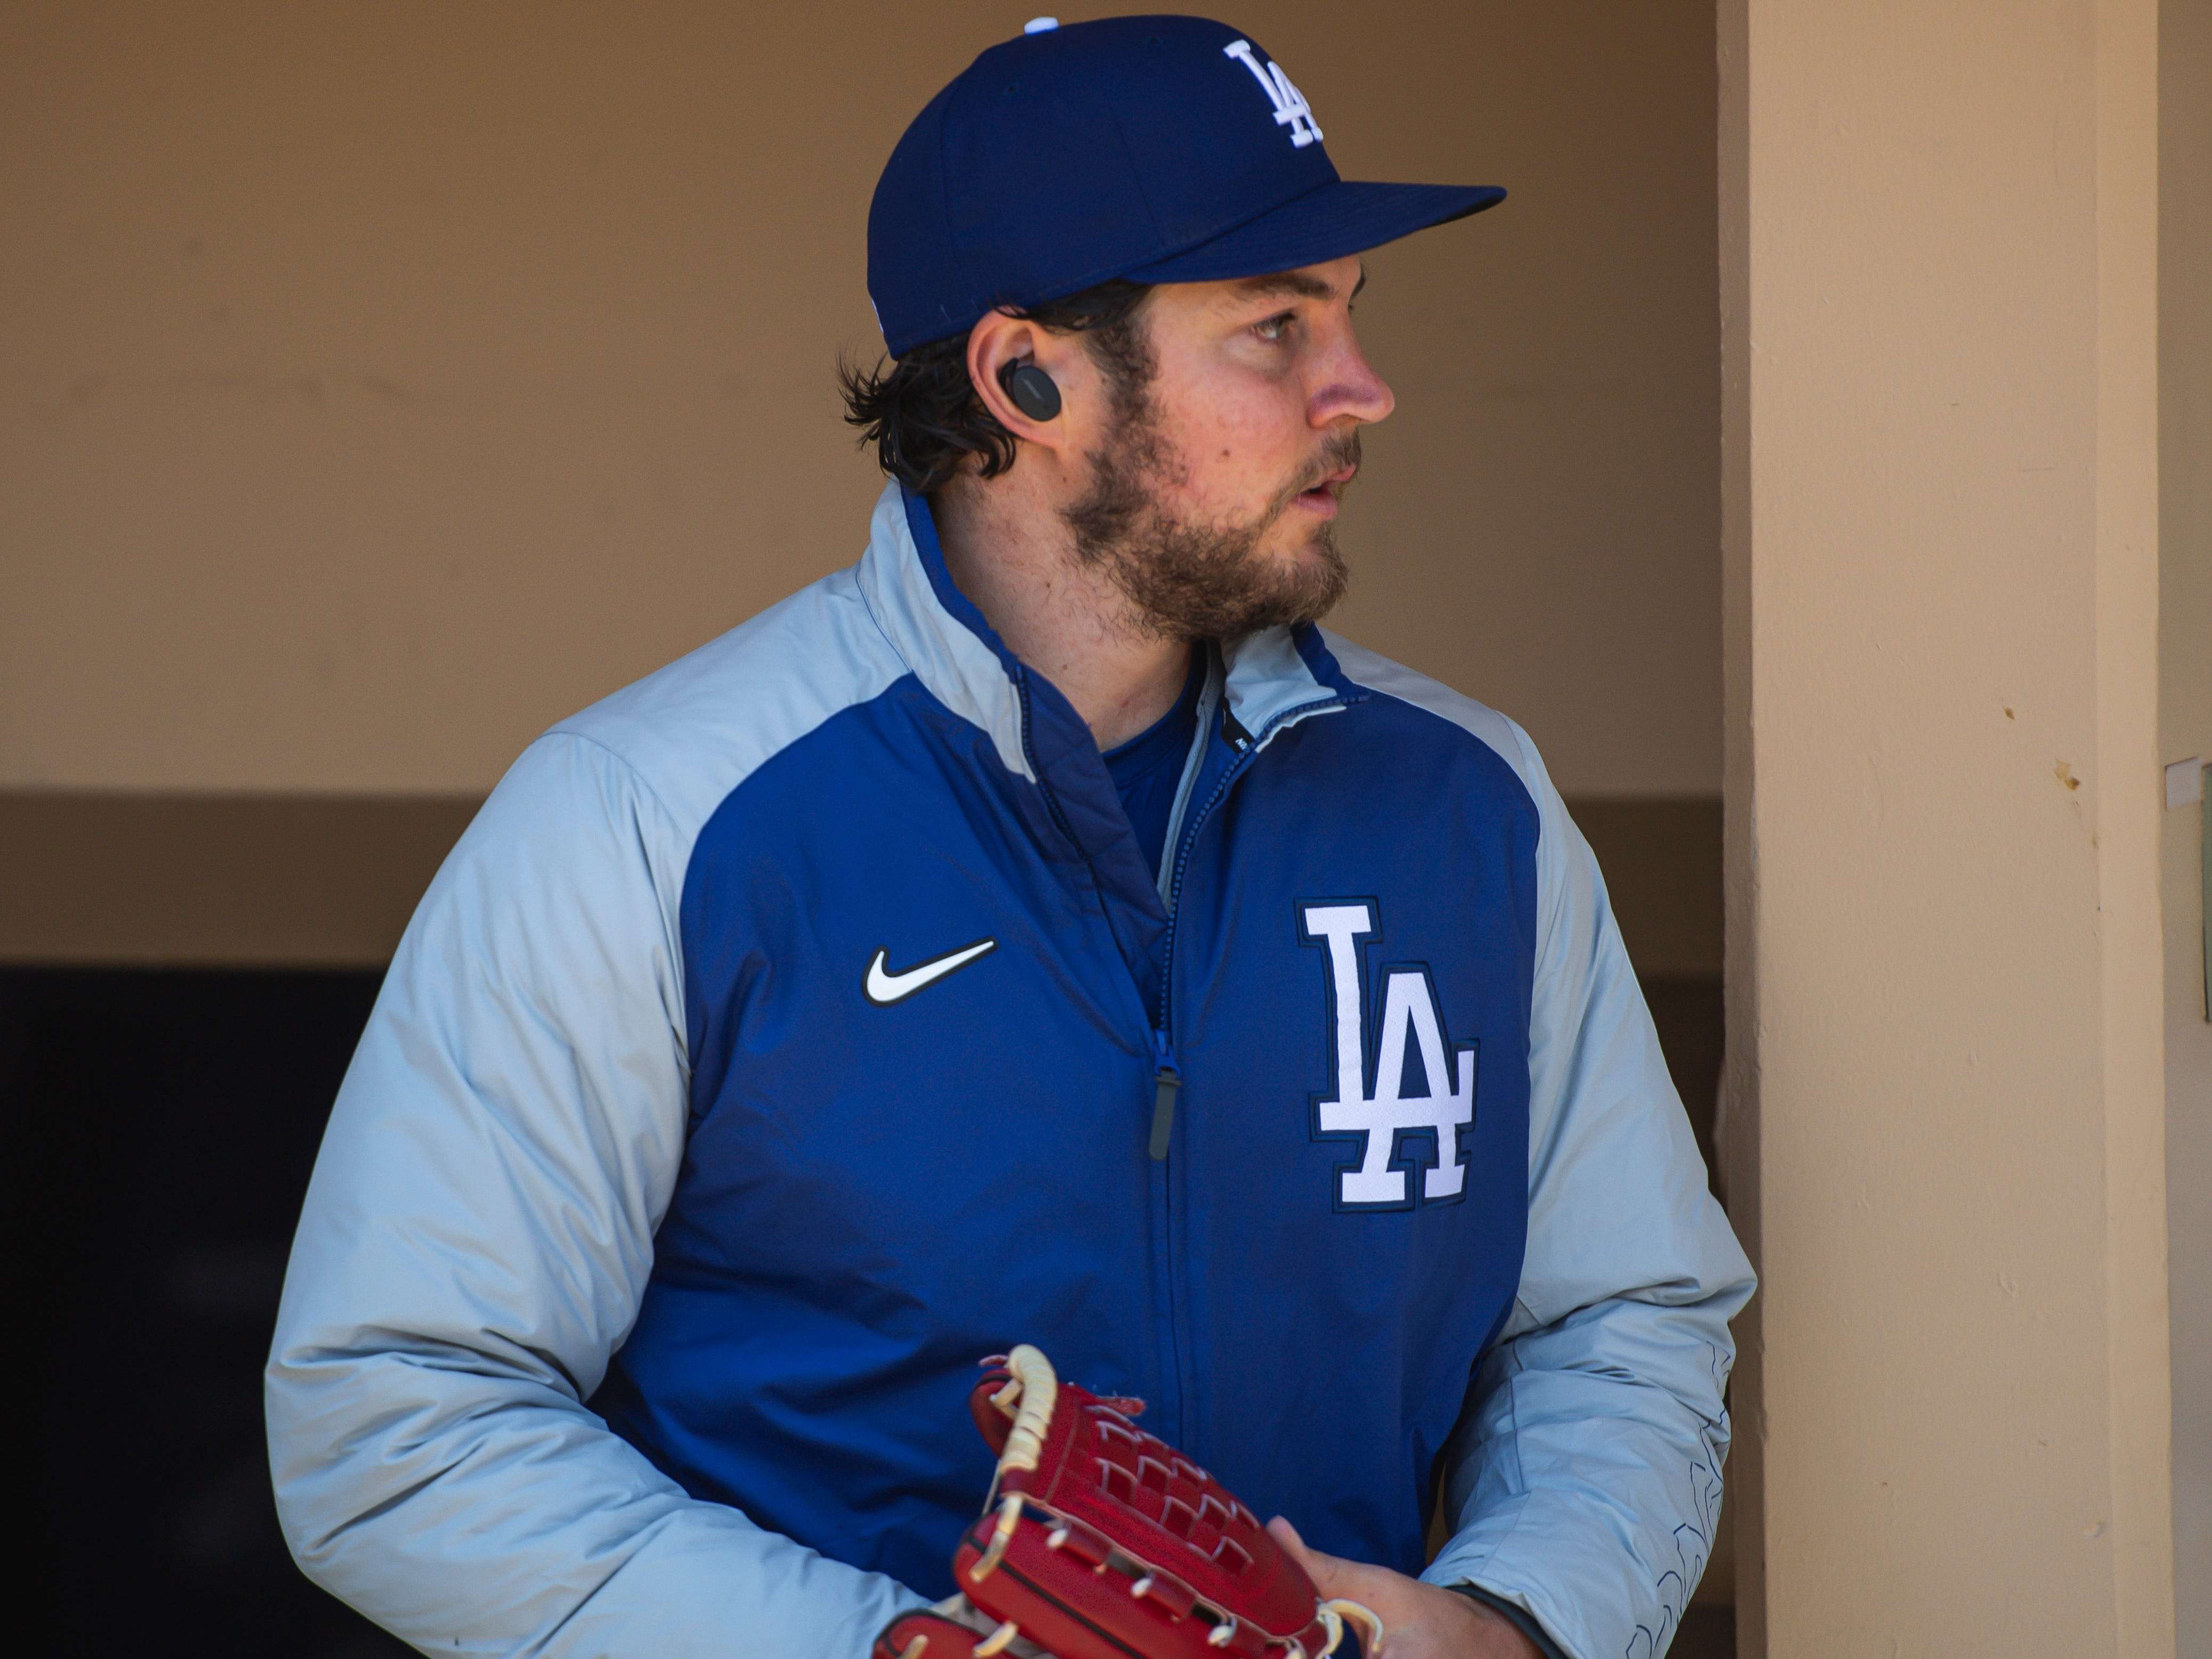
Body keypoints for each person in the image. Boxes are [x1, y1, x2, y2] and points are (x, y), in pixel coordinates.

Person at [267, 17, 1753, 1659]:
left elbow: (1622, 1318)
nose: (1363, 392)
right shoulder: (647, 817)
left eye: (1348, 315)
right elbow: (394, 1419)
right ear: (1025, 375)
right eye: (1271, 328)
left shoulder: (1472, 803)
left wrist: (1505, 1622)